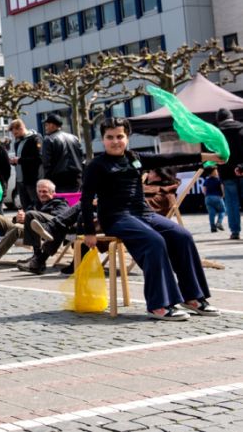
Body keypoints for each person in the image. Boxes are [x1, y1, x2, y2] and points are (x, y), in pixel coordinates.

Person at [81, 117, 221, 321]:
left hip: (142, 213)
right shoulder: (96, 165)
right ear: (102, 139)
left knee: (182, 235)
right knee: (154, 241)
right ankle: (158, 305)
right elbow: (85, 199)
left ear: (127, 137)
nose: (115, 141)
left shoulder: (135, 157)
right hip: (115, 217)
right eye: (109, 137)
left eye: (119, 136)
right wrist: (89, 231)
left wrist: (208, 156)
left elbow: (170, 158)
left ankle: (192, 297)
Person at [0, 179, 68, 272]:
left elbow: (56, 221)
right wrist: (18, 218)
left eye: (45, 191)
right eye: (39, 191)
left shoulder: (60, 203)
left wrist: (29, 217)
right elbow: (23, 216)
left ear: (53, 192)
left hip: (39, 231)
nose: (41, 194)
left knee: (18, 227)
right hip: (22, 226)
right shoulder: (36, 203)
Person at [215, 108, 243, 239]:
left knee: (232, 203)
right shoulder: (242, 129)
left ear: (219, 119)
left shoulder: (217, 132)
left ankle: (235, 231)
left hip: (226, 172)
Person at [41, 113, 84, 193]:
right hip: (76, 178)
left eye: (47, 125)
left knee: (61, 203)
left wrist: (46, 181)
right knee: (75, 202)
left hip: (58, 180)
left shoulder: (49, 140)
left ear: (52, 125)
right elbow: (81, 157)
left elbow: (46, 163)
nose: (45, 127)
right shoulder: (74, 138)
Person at [8, 119, 42, 210]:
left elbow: (39, 159)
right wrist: (14, 161)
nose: (15, 136)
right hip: (20, 181)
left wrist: (19, 160)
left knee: (37, 206)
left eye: (15, 133)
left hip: (32, 180)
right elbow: (19, 160)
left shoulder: (35, 138)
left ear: (21, 128)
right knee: (26, 207)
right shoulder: (17, 142)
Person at [204, 167, 226, 233]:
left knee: (211, 213)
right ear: (213, 172)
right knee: (222, 210)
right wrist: (223, 194)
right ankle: (219, 222)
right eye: (216, 171)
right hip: (217, 197)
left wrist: (206, 195)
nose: (217, 172)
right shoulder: (218, 180)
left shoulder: (206, 180)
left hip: (208, 198)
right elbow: (222, 187)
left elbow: (204, 189)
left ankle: (213, 228)